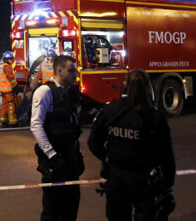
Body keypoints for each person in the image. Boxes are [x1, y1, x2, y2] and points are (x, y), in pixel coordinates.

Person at [88, 70, 175, 221]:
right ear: (148, 87)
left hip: (116, 178)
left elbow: (93, 142)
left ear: (125, 85)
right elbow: (166, 155)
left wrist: (108, 158)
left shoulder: (110, 111)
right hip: (144, 180)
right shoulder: (154, 116)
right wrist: (167, 184)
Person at [30, 55, 84, 221]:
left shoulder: (71, 93)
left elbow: (73, 128)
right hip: (54, 162)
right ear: (59, 70)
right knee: (52, 211)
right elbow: (36, 125)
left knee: (71, 207)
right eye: (71, 70)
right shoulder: (45, 92)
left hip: (70, 159)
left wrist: (78, 155)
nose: (75, 74)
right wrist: (51, 155)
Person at [0, 51, 21, 127]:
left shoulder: (0, 66)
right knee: (11, 105)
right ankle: (13, 122)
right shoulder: (7, 67)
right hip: (8, 89)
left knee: (4, 105)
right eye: (10, 59)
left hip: (2, 89)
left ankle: (3, 121)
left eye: (12, 59)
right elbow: (11, 78)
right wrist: (16, 86)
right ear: (6, 59)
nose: (11, 60)